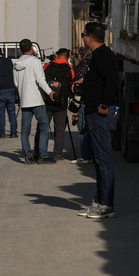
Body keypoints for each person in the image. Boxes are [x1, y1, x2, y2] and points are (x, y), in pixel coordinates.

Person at [78, 22, 119, 219]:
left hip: (101, 114)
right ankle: (99, 200)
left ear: (90, 37)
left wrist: (104, 103)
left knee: (103, 161)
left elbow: (112, 80)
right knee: (99, 161)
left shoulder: (103, 55)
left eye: (83, 35)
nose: (83, 38)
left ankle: (107, 205)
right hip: (95, 113)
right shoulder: (99, 55)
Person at [14, 38, 57, 164]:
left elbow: (16, 84)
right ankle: (42, 155)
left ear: (20, 50)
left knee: (25, 130)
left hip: (24, 101)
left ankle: (28, 156)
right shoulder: (35, 62)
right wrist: (50, 92)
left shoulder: (16, 65)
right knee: (44, 126)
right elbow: (40, 80)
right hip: (37, 100)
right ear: (32, 49)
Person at [42, 48, 75, 160]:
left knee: (43, 127)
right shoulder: (69, 69)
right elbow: (72, 81)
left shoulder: (47, 66)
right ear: (68, 56)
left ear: (56, 55)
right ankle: (58, 153)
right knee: (60, 129)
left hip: (47, 102)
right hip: (61, 104)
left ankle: (41, 151)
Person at [71, 47, 92, 164]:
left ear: (80, 55)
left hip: (83, 102)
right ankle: (92, 155)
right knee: (91, 129)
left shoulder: (80, 67)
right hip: (93, 101)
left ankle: (85, 156)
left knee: (82, 130)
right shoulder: (93, 65)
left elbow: (79, 86)